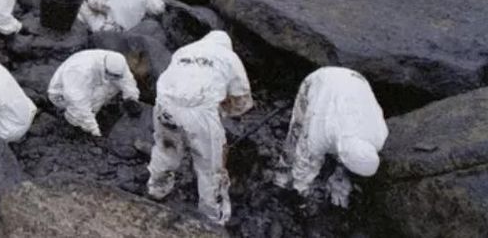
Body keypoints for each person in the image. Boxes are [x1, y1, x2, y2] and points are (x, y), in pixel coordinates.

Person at [147, 31, 253, 225]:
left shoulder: (183, 51)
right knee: (210, 167)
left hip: (164, 104)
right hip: (200, 112)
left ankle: (157, 189)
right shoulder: (229, 57)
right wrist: (224, 111)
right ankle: (212, 217)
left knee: (165, 149)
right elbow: (242, 100)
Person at [275, 67, 388, 208]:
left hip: (356, 80)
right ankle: (282, 174)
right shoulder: (321, 134)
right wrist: (300, 188)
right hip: (321, 80)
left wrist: (340, 176)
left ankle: (334, 175)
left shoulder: (379, 135)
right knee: (297, 132)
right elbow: (305, 158)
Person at [48, 50, 141, 136]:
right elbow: (78, 103)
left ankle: (94, 110)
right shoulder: (80, 71)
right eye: (112, 75)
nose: (115, 77)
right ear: (105, 69)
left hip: (88, 84)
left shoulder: (116, 61)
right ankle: (74, 121)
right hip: (60, 94)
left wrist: (131, 98)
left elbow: (126, 79)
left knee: (113, 85)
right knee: (94, 99)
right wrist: (93, 129)